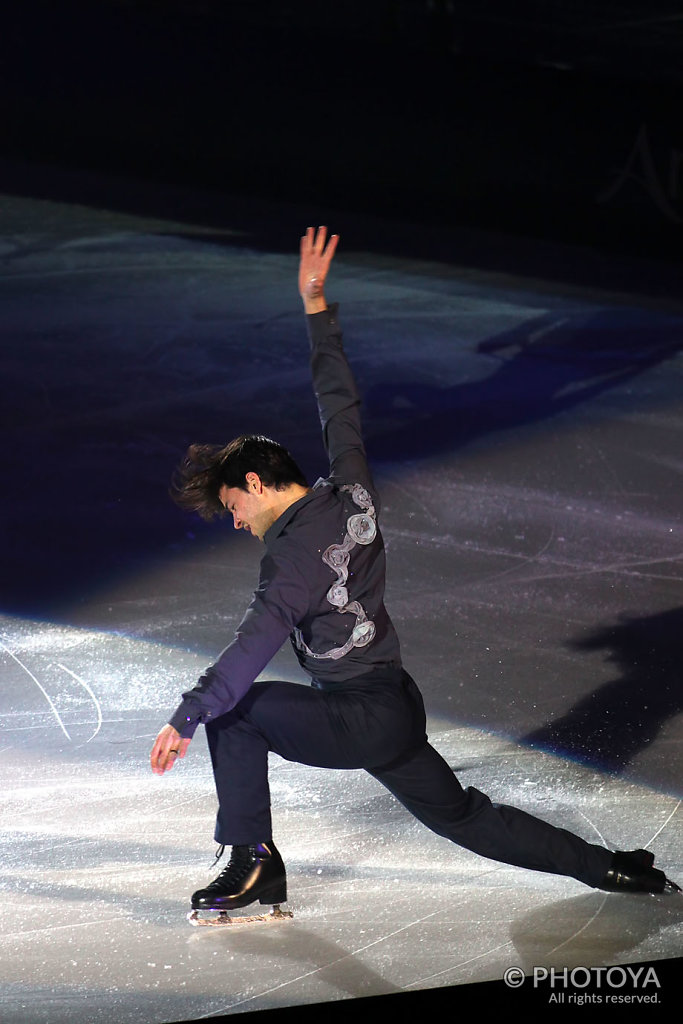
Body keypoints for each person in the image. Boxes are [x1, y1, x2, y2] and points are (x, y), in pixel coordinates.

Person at [150, 226, 679, 913]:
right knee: (462, 817)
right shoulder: (350, 495)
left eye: (231, 504)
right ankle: (610, 869)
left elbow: (254, 641)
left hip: (359, 716)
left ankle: (253, 861)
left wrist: (190, 712)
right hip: (392, 703)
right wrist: (316, 310)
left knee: (236, 716)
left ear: (254, 481)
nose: (236, 521)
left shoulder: (291, 554)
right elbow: (340, 411)